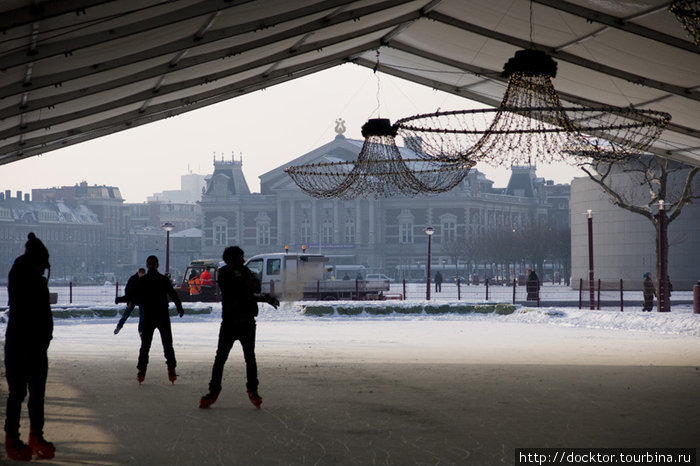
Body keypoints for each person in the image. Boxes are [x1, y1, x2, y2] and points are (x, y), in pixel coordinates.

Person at [199, 246, 278, 410]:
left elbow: (254, 287)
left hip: (247, 321)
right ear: (230, 259)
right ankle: (213, 391)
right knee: (221, 358)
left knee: (249, 357)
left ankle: (252, 389)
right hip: (230, 322)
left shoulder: (245, 272)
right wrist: (252, 289)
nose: (243, 260)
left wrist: (264, 297)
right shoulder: (224, 273)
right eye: (240, 258)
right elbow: (239, 291)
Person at [4, 232, 56, 461]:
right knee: (23, 393)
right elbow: (38, 312)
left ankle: (28, 436)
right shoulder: (29, 279)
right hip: (26, 344)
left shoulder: (23, 275)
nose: (45, 270)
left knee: (28, 393)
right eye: (43, 265)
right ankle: (16, 439)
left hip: (29, 343)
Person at [125, 255, 184, 384]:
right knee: (167, 343)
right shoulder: (163, 279)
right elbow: (172, 294)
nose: (151, 266)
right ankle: (171, 369)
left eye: (152, 263)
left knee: (146, 345)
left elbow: (133, 294)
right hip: (162, 314)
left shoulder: (144, 280)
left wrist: (123, 299)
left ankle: (142, 370)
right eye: (151, 263)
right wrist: (179, 306)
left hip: (149, 315)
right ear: (156, 265)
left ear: (150, 265)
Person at [114, 268, 146, 335]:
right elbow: (127, 290)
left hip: (141, 300)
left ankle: (141, 331)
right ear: (138, 273)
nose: (142, 276)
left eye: (143, 274)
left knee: (142, 317)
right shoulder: (133, 279)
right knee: (126, 314)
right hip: (132, 299)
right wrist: (128, 301)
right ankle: (119, 327)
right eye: (141, 274)